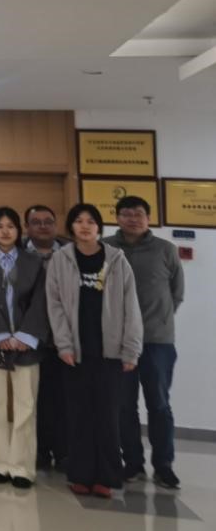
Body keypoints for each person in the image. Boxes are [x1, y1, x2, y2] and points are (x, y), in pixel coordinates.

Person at [46, 204, 143, 498]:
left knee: (108, 416)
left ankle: (107, 476)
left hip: (110, 352)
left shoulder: (117, 260)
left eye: (91, 221)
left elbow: (131, 307)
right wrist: (63, 344)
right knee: (78, 416)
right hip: (75, 352)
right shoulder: (61, 259)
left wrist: (131, 349)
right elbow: (55, 305)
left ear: (99, 227)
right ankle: (81, 474)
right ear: (71, 227)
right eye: (79, 221)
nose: (85, 226)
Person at [104, 195, 184, 490]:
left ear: (148, 218)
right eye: (126, 214)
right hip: (118, 342)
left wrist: (157, 320)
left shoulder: (166, 249)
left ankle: (164, 466)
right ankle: (133, 464)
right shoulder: (106, 248)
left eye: (138, 213)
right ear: (117, 218)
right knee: (124, 406)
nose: (133, 219)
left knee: (159, 404)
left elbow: (176, 292)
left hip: (156, 342)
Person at [0, 206, 49, 489]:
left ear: (19, 230)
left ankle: (21, 467)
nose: (5, 231)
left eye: (10, 226)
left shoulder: (34, 261)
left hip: (26, 344)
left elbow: (40, 302)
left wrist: (24, 336)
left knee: (25, 405)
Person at [23, 203, 68, 472]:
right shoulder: (16, 254)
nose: (42, 226)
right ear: (27, 227)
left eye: (48, 221)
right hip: (28, 340)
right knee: (33, 399)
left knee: (62, 400)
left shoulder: (69, 253)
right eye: (36, 222)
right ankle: (38, 452)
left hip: (62, 340)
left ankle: (63, 451)